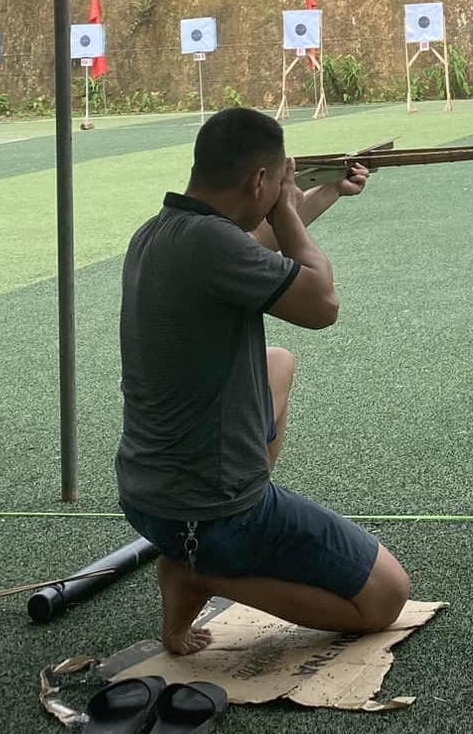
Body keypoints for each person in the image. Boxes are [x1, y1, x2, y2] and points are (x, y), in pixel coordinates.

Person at [117, 107, 410, 656]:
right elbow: (322, 303)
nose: (283, 193)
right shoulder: (214, 246)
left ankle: (200, 554)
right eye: (278, 183)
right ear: (259, 181)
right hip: (208, 508)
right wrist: (288, 208)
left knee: (277, 363)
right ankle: (203, 573)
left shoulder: (162, 233)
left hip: (147, 492)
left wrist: (324, 195)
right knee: (385, 598)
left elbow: (260, 249)